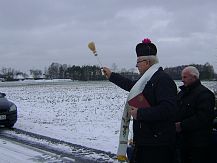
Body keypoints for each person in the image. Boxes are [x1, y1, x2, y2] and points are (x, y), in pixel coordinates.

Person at [103, 38, 177, 163]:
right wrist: (111, 76)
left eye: (138, 62)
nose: (136, 65)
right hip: (145, 141)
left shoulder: (163, 80)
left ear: (147, 62)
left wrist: (140, 114)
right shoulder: (147, 80)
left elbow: (168, 109)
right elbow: (132, 86)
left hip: (157, 146)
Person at [175, 66, 215, 163]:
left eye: (185, 77)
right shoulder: (182, 94)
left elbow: (204, 117)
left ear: (194, 77)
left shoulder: (205, 94)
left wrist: (181, 125)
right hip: (182, 142)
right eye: (182, 77)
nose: (182, 80)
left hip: (198, 144)